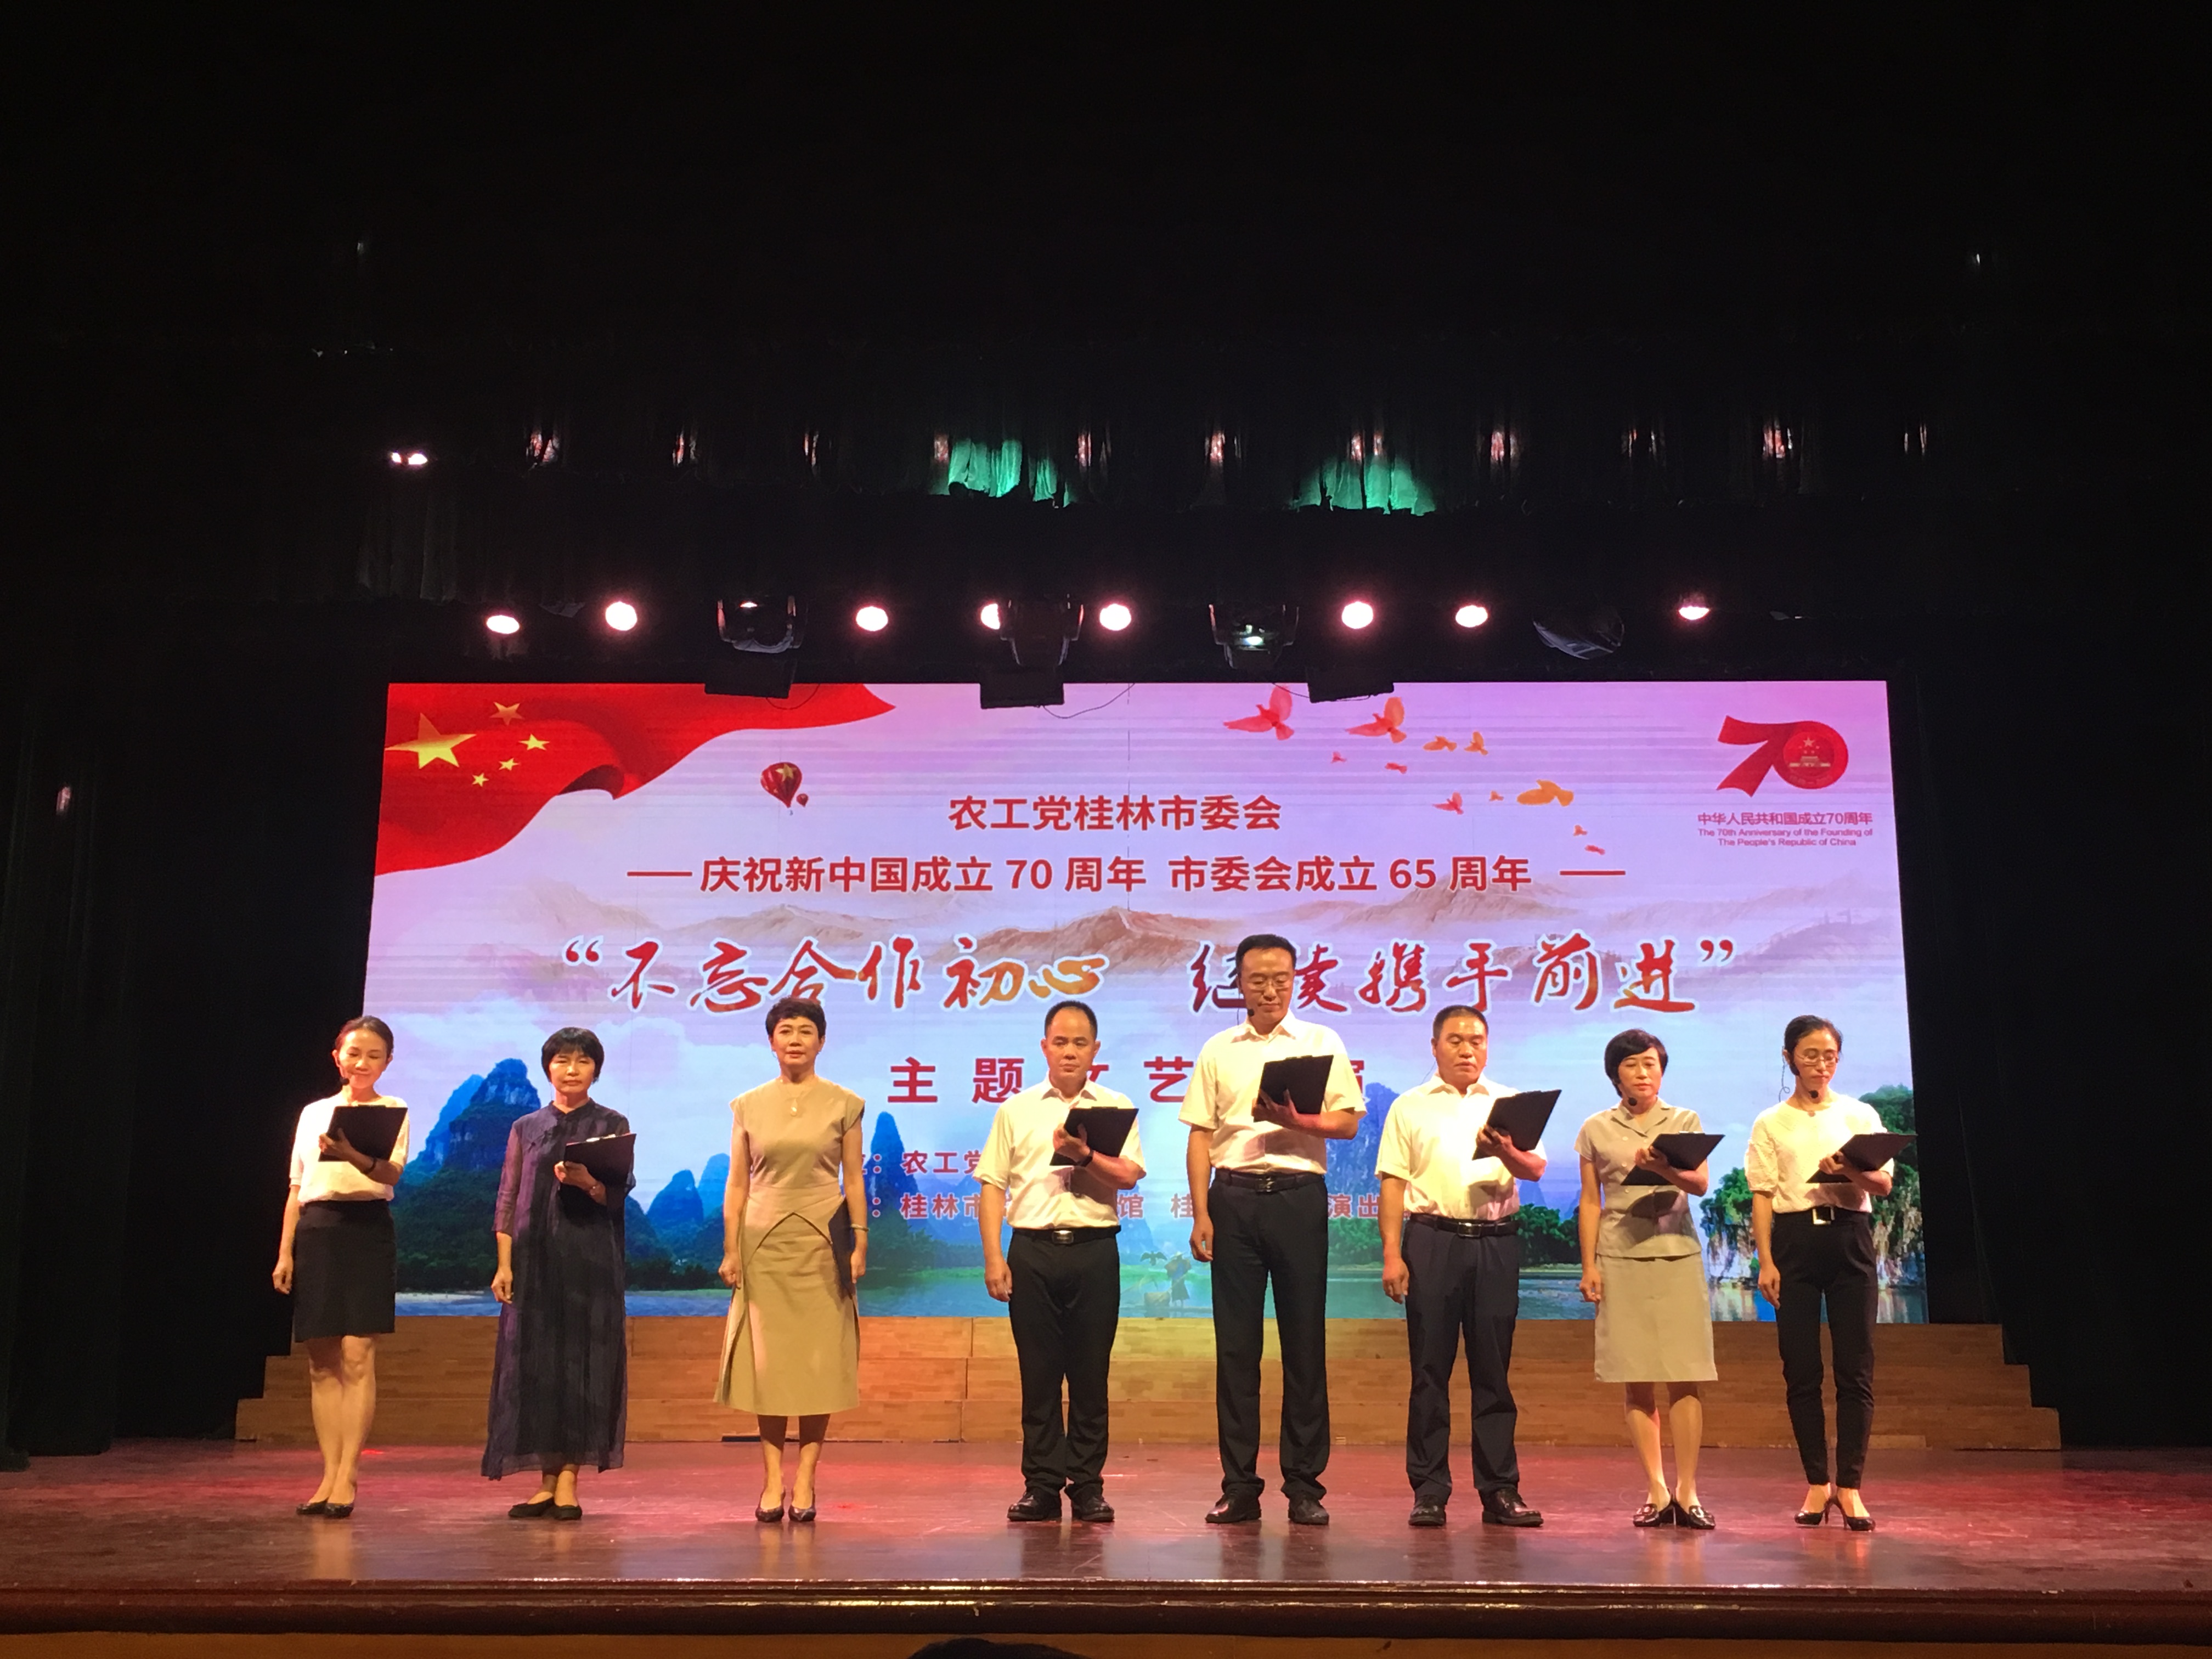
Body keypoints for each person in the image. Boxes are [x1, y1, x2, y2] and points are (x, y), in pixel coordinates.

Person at [1181, 932, 1363, 1526]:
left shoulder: (1321, 1042)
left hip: (1297, 1198)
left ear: (1296, 980)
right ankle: (1239, 1486)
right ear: (1238, 983)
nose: (1270, 989)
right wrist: (1201, 1212)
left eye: (1281, 978)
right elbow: (1201, 1134)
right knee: (1237, 1349)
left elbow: (1348, 1123)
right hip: (1232, 1200)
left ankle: (1305, 1486)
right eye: (1258, 979)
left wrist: (1297, 1120)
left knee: (1304, 1344)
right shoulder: (1219, 1049)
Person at [1377, 1005, 1548, 1528]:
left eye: (1477, 1040)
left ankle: (1500, 1490)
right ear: (1435, 1047)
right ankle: (1429, 1490)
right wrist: (1392, 1253)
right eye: (1455, 1040)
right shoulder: (1409, 1106)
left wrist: (1507, 1150)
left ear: (1488, 1048)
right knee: (1429, 1371)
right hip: (1432, 1241)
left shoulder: (1509, 1103)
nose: (1467, 1049)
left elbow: (1534, 1168)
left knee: (1493, 1372)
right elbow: (1393, 1182)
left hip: (1496, 1242)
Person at [978, 1000, 1146, 1523]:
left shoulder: (1115, 1107)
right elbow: (992, 1185)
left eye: (1080, 1042)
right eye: (1060, 1041)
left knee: (1091, 1376)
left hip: (1095, 1250)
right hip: (1032, 1251)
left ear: (1096, 1050)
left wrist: (1084, 1155)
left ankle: (1088, 1486)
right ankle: (1042, 1485)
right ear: (1044, 1047)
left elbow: (1130, 1175)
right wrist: (993, 1258)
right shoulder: (1016, 1109)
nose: (1069, 1051)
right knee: (1040, 1376)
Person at [715, 996, 867, 1523]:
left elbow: (853, 1179)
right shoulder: (747, 1105)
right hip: (763, 1245)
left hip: (824, 1244)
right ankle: (771, 1480)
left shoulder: (846, 1104)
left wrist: (861, 1241)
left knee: (818, 1363)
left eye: (806, 1030)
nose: (796, 1039)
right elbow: (738, 1184)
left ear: (821, 1041)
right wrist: (730, 1249)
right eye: (786, 1030)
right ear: (772, 1041)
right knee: (769, 1366)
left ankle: (806, 1479)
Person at [1747, 1014, 1893, 1533]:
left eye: (1830, 1055)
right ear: (1789, 1058)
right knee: (1801, 1369)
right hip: (1795, 1242)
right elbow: (1762, 1194)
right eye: (1810, 1055)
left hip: (1850, 1237)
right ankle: (1816, 1482)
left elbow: (1883, 1186)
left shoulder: (1859, 1114)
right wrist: (1766, 1260)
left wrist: (1847, 1168)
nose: (1821, 1064)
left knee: (1856, 1369)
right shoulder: (1770, 1122)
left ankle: (1850, 1486)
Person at [483, 1027, 634, 1520]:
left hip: (589, 1260)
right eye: (563, 1060)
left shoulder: (611, 1123)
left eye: (583, 1061)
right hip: (533, 1260)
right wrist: (504, 1263)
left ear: (596, 1070)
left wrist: (588, 1181)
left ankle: (568, 1479)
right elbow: (508, 1197)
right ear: (548, 1067)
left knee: (580, 1365)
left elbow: (617, 1194)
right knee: (536, 1367)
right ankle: (546, 1482)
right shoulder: (526, 1126)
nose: (572, 1069)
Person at [1574, 1028, 1718, 1529]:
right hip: (1620, 1255)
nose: (1643, 1073)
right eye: (1633, 1065)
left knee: (1685, 1373)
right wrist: (1590, 1265)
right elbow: (1590, 1201)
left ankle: (1688, 1490)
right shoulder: (1595, 1128)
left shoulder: (1684, 1121)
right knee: (1635, 1376)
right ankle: (1657, 1490)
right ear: (1616, 1074)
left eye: (1652, 1063)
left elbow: (1700, 1184)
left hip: (1677, 1252)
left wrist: (1664, 1167)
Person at [270, 1015, 409, 1518]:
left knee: (358, 1355)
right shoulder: (313, 1114)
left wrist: (352, 1154)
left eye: (374, 1055)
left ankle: (349, 1474)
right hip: (318, 1229)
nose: (362, 1063)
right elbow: (296, 1188)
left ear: (388, 1062)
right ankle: (327, 1475)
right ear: (337, 1058)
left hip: (368, 1229)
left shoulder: (391, 1110)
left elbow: (392, 1173)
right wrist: (285, 1252)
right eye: (354, 1053)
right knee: (321, 1360)